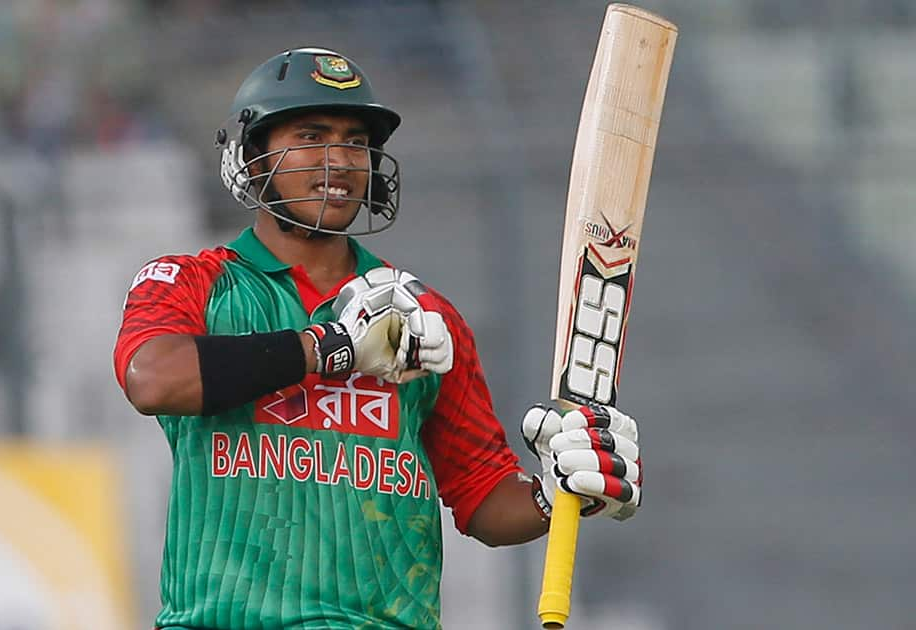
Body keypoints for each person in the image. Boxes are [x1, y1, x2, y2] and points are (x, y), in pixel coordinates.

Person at [113, 47, 642, 630]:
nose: (338, 159)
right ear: (251, 156)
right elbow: (153, 378)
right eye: (311, 136)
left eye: (355, 141)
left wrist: (557, 494)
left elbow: (482, 495)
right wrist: (333, 346)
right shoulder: (194, 282)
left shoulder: (429, 315)